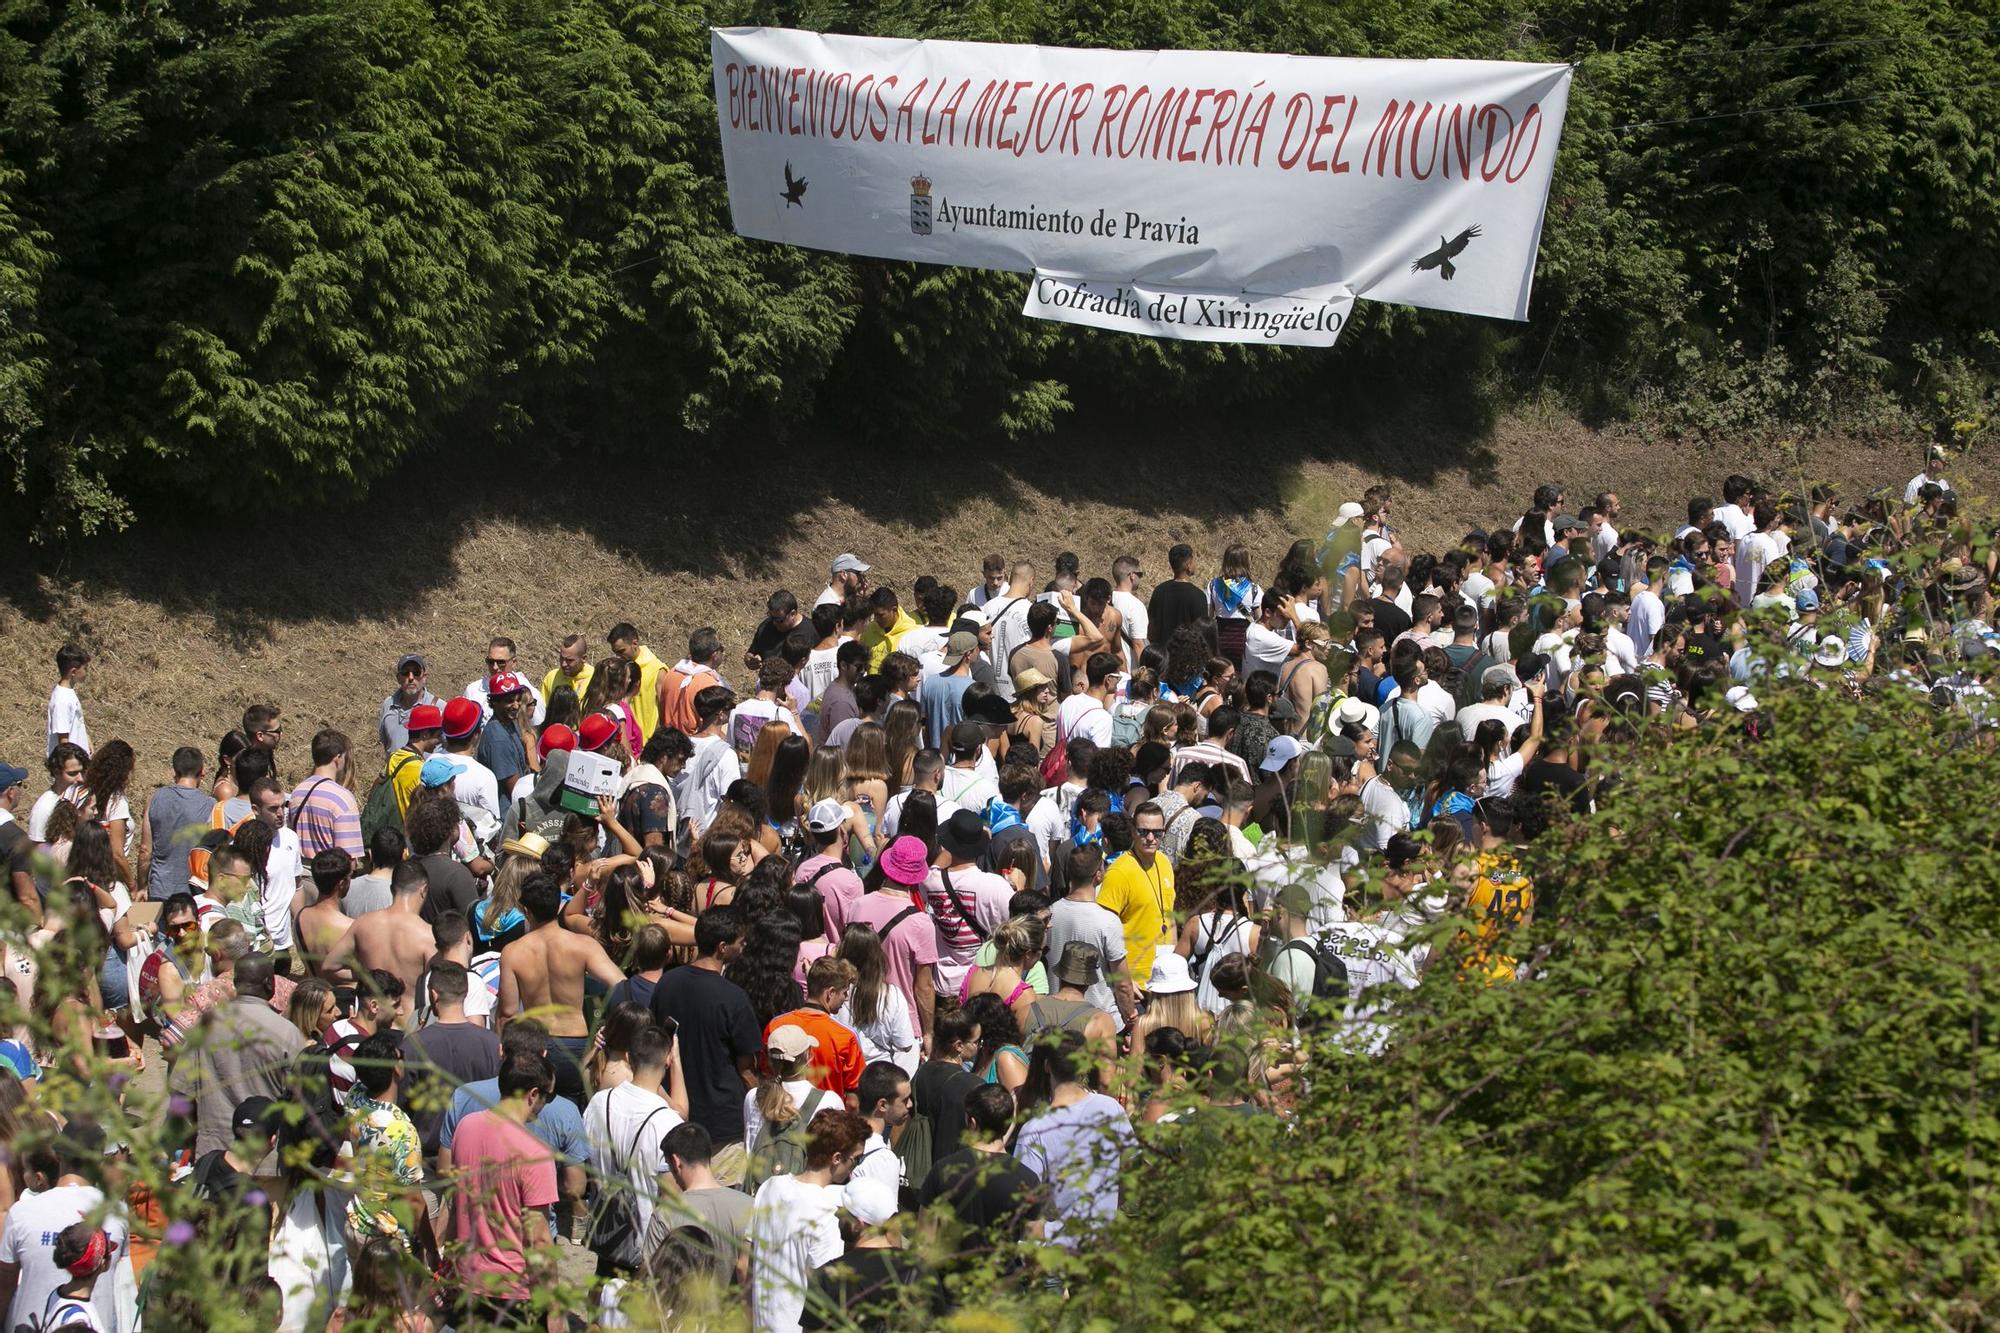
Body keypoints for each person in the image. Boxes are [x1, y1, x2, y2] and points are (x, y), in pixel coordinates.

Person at [436, 1019, 590, 1240]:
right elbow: (575, 1185)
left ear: (501, 1050)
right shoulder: (565, 1110)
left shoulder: (464, 1096)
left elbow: (445, 1170)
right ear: (544, 1053)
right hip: (529, 1235)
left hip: (471, 1232)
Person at [444, 1049, 560, 1325]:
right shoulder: (534, 1152)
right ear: (533, 1095)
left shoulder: (465, 1127)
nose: (547, 1103)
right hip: (513, 1291)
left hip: (467, 1281)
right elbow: (540, 1239)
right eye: (548, 1096)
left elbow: (456, 1199)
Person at [649, 906, 761, 1175]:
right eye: (740, 942)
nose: (743, 946)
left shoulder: (666, 983)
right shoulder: (733, 998)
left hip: (674, 1112)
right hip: (722, 1123)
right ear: (722, 947)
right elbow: (746, 1066)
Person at [498, 872, 624, 1109]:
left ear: (525, 910)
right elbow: (621, 984)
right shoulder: (582, 945)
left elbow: (507, 1013)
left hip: (534, 1045)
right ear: (559, 905)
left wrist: (504, 1053)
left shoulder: (513, 952)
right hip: (575, 1044)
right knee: (577, 1115)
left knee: (533, 1116)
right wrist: (610, 1028)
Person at [1009, 1032, 1135, 1251]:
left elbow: (1023, 1201)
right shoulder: (1111, 1107)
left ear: (1047, 1066)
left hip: (1059, 1250)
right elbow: (1131, 1169)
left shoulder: (1034, 1129)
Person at [748, 1109, 870, 1333]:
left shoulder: (769, 1188)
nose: (857, 1166)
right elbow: (828, 1296)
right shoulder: (826, 1213)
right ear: (836, 1158)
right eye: (856, 1159)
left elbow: (747, 1263)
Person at [0, 1121, 128, 1333]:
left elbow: (4, 1286)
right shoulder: (117, 1213)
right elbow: (122, 1286)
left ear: (58, 1156)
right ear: (98, 1162)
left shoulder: (22, 1212)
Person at [583, 1023, 685, 1276]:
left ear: (628, 1056)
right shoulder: (667, 1121)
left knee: (601, 1304)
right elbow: (671, 1196)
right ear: (668, 1059)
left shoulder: (598, 1102)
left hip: (607, 1234)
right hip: (648, 1248)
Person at [183, 953, 307, 1156]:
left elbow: (181, 1090)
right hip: (267, 1154)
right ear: (270, 983)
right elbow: (301, 1097)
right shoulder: (286, 1032)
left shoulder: (205, 1026)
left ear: (235, 983)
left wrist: (202, 1128)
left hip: (216, 1151)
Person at [919, 1081, 1043, 1251]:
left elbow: (925, 1242)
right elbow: (1035, 1246)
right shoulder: (1028, 1179)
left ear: (972, 1122)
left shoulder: (942, 1170)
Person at [400, 961, 501, 1154]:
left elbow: (401, 1101)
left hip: (427, 1153)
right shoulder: (493, 1045)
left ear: (434, 994)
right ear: (465, 993)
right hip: (480, 1153)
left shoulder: (413, 1046)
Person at [844, 836, 940, 1037]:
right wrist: (929, 1032)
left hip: (858, 1012)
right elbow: (924, 987)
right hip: (901, 1022)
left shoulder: (858, 905)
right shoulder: (920, 923)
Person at [800, 1176, 921, 1331]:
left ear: (859, 1224)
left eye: (842, 1212)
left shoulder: (829, 1275)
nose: (837, 1215)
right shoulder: (918, 1268)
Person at [645, 1122, 753, 1284]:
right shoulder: (750, 1206)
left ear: (675, 1162)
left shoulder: (665, 1214)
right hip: (736, 1308)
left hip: (683, 1309)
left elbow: (650, 1279)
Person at [923, 811, 1013, 1000]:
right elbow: (1018, 924)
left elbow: (934, 868)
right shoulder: (996, 886)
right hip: (981, 982)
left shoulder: (930, 882)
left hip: (942, 984)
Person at [320, 860, 435, 1000]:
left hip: (371, 1017)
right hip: (409, 1018)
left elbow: (328, 966)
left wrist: (365, 975)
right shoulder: (428, 935)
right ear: (423, 890)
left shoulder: (363, 923)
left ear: (392, 889)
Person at [1095, 800, 1175, 995]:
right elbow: (1102, 931)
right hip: (1135, 983)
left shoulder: (1164, 863)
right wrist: (1125, 980)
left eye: (1157, 833)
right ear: (1132, 831)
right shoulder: (1119, 872)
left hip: (1166, 977)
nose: (1150, 838)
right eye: (1143, 831)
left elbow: (1170, 918)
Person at [764, 958, 866, 1101]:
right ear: (830, 993)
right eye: (844, 992)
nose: (846, 998)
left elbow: (766, 1075)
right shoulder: (845, 1036)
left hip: (781, 1113)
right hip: (828, 1119)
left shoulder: (775, 1025)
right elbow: (853, 1099)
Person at [144, 746, 212, 900]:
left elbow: (145, 850)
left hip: (160, 889)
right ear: (202, 772)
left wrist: (141, 886)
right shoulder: (210, 806)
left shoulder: (156, 799)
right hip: (193, 893)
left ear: (173, 771)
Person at [849, 1061, 913, 1198]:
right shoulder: (883, 1160)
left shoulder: (840, 1132)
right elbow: (885, 1216)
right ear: (882, 1105)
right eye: (905, 1100)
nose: (910, 1104)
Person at [380, 655, 441, 756]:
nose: (411, 677)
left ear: (424, 677)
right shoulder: (388, 705)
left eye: (416, 672)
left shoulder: (440, 707)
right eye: (405, 672)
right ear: (398, 678)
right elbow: (385, 743)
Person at [46, 642, 91, 757]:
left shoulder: (68, 693)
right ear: (74, 672)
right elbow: (63, 742)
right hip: (70, 764)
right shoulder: (62, 700)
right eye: (85, 668)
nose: (86, 672)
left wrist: (87, 740)